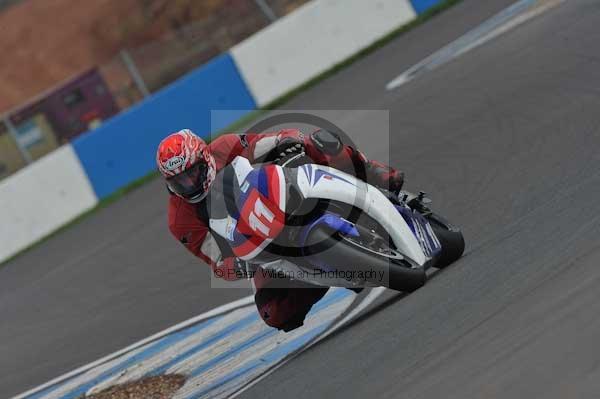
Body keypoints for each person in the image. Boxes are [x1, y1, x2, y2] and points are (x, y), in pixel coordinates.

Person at [156, 128, 404, 332]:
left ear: (205, 157)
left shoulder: (225, 146)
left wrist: (289, 142)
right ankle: (325, 272)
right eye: (180, 182)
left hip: (279, 194)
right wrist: (239, 266)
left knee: (318, 141)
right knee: (274, 313)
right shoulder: (180, 221)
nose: (189, 184)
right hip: (260, 246)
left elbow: (273, 140)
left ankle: (374, 172)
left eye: (193, 173)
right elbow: (217, 261)